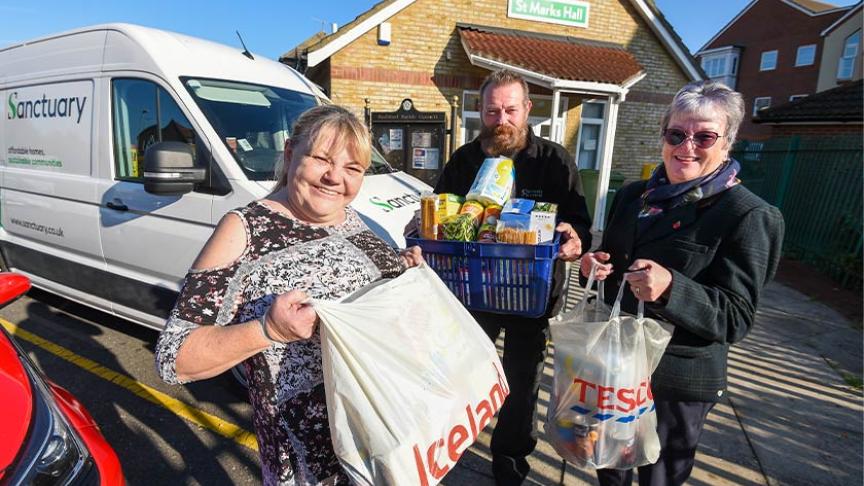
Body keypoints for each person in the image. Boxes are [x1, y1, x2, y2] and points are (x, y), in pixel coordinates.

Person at [154, 105, 423, 486]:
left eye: (352, 169)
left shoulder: (351, 217)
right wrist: (267, 331)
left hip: (380, 443)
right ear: (289, 154)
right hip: (309, 467)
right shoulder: (246, 230)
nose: (335, 178)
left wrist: (401, 272)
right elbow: (174, 358)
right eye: (321, 159)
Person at [581, 80, 784, 486]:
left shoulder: (748, 214)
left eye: (704, 135)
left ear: (727, 142)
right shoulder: (634, 196)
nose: (687, 145)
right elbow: (615, 267)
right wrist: (594, 267)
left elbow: (735, 317)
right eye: (677, 133)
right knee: (607, 466)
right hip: (617, 364)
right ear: (664, 136)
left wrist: (672, 287)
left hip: (675, 382)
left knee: (658, 479)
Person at [435, 69, 592, 484]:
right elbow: (439, 214)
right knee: (463, 373)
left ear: (527, 110)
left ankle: (509, 461)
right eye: (491, 110)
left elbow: (580, 225)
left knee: (522, 385)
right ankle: (447, 446)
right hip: (472, 292)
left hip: (532, 295)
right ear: (480, 111)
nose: (500, 119)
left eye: (509, 109)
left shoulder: (554, 160)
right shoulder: (464, 160)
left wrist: (576, 241)